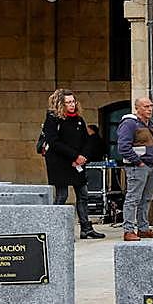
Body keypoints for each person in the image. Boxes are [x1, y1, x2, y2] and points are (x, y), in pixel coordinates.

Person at [40, 89, 104, 239]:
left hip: (78, 163)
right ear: (60, 104)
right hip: (60, 162)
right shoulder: (53, 119)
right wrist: (74, 156)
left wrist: (84, 156)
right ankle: (55, 229)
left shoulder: (79, 120)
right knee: (62, 195)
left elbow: (87, 141)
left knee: (83, 194)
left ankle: (86, 228)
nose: (72, 105)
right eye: (68, 102)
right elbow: (53, 142)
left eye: (73, 101)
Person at [116, 96, 153, 241]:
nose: (149, 109)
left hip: (152, 165)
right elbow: (123, 147)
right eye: (146, 107)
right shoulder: (129, 123)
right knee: (133, 198)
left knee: (146, 199)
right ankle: (128, 230)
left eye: (150, 106)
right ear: (137, 108)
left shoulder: (150, 123)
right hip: (138, 167)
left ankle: (143, 228)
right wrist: (138, 162)